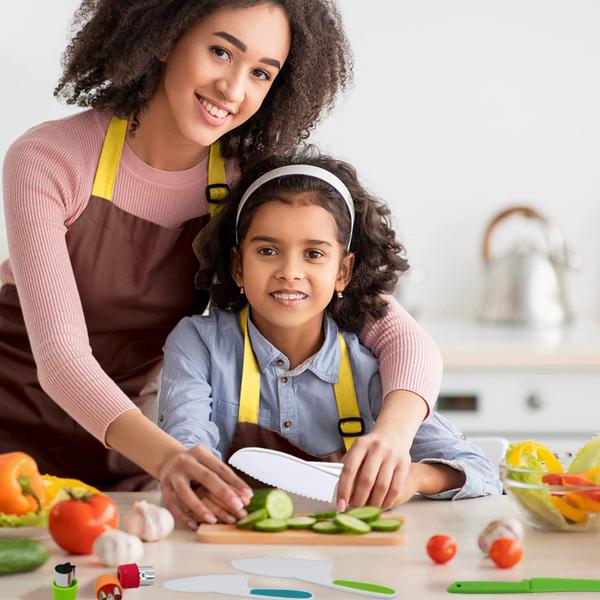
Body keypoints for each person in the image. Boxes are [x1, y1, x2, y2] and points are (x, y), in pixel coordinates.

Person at [0, 0, 441, 525]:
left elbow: (391, 327)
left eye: (260, 72)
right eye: (219, 51)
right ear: (163, 36)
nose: (233, 89)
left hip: (130, 441)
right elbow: (62, 362)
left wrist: (392, 435)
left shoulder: (243, 179)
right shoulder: (51, 160)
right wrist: (170, 458)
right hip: (13, 420)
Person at [159, 150, 501, 527]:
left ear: (344, 271)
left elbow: (480, 470)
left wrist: (415, 477)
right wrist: (196, 476)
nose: (290, 272)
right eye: (268, 250)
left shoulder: (369, 372)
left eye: (314, 254)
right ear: (239, 265)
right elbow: (186, 442)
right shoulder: (199, 346)